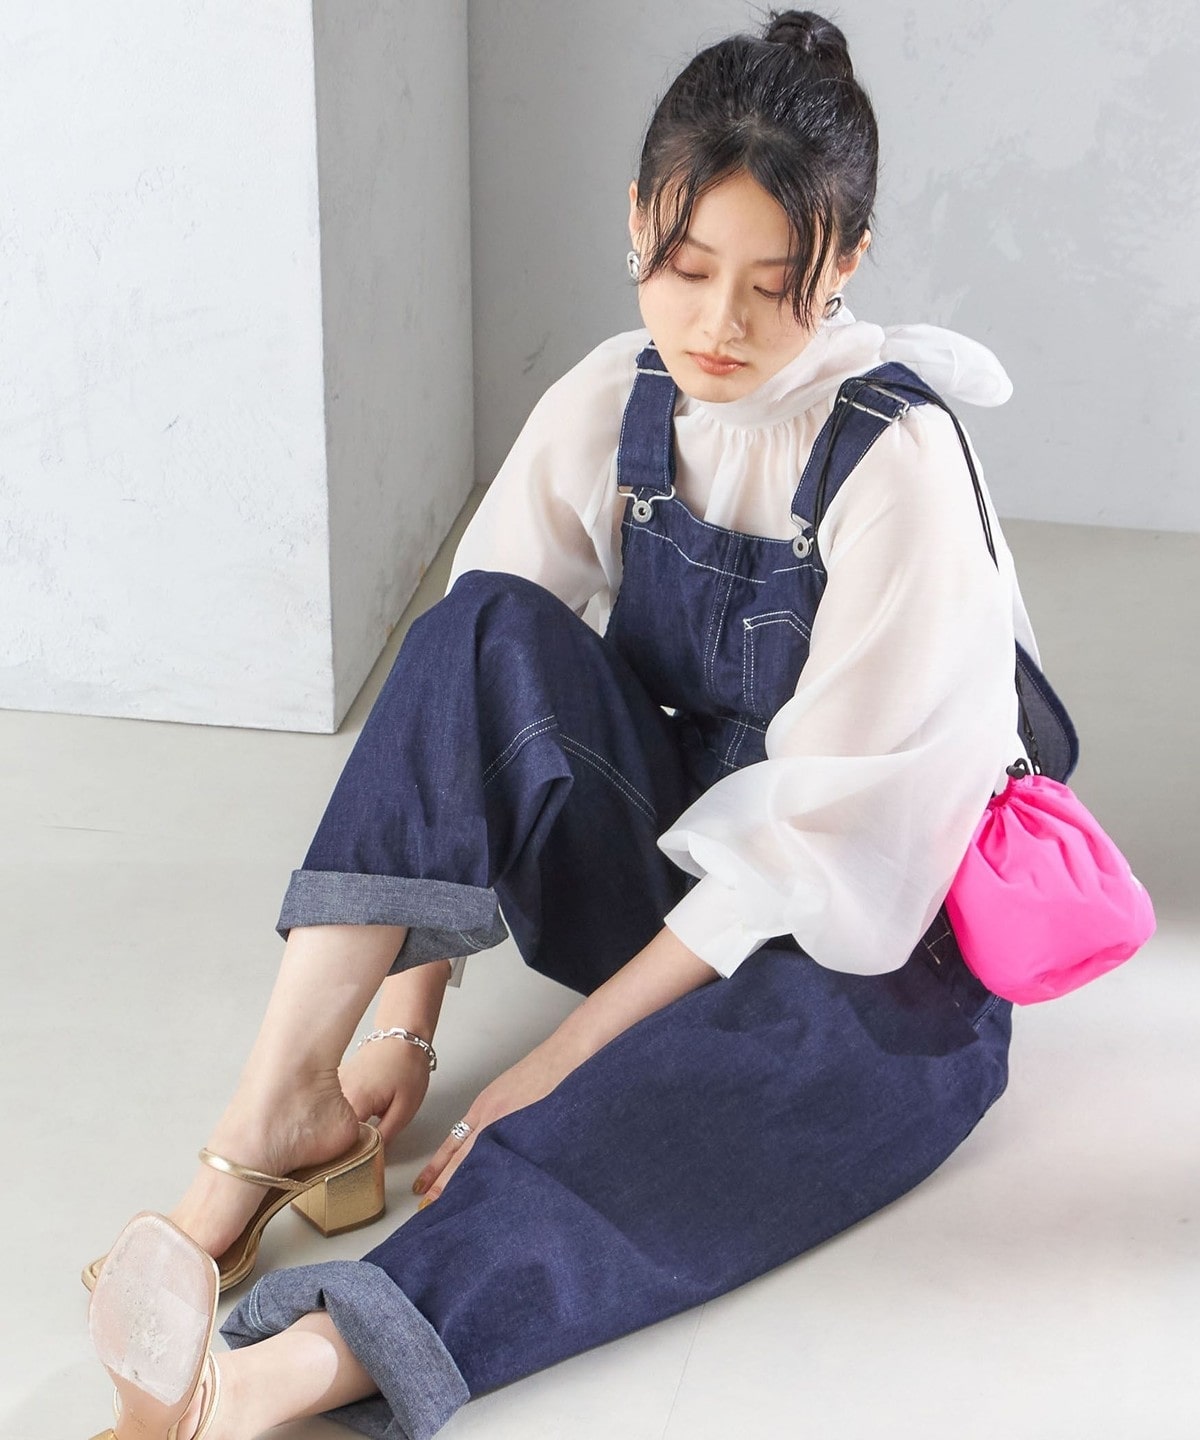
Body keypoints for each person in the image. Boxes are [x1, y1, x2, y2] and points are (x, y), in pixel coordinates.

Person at [86, 11, 1069, 1440]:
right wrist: (409, 1026)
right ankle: (278, 1114)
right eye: (686, 267)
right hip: (680, 887)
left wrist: (557, 1062)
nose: (716, 326)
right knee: (477, 622)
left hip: (872, 950)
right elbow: (462, 713)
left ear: (847, 264)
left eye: (774, 287)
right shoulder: (618, 398)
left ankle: (269, 1379)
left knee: (665, 1121)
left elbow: (822, 864)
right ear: (635, 223)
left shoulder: (895, 461)